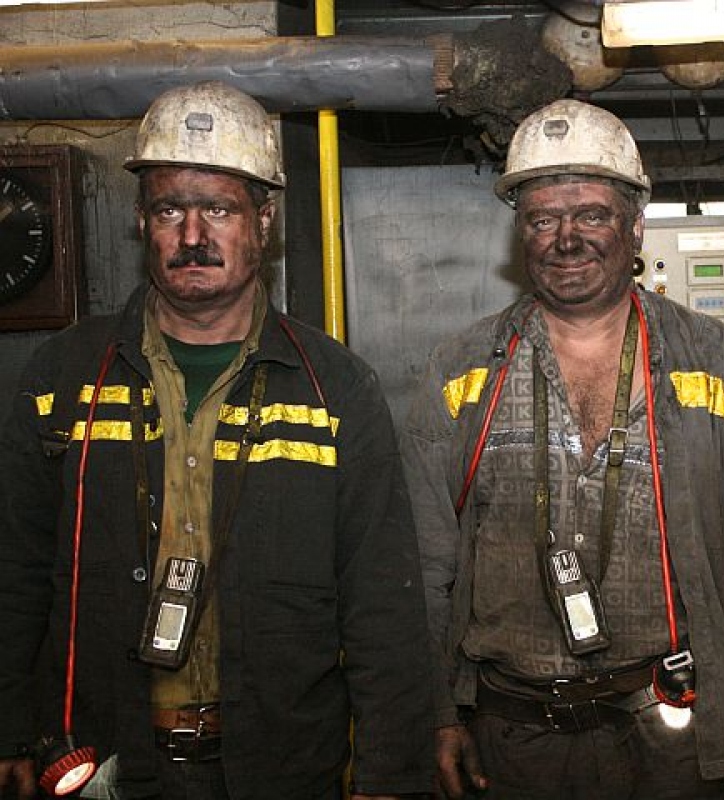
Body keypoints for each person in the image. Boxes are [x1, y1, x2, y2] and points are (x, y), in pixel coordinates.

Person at [0, 81, 433, 800]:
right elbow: (14, 566)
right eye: (169, 209)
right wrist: (9, 730)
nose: (192, 236)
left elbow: (381, 595)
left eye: (220, 210)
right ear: (142, 222)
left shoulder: (334, 387)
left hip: (281, 766)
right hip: (102, 762)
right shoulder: (65, 378)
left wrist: (389, 771)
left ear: (264, 222)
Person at [400, 98, 724, 800]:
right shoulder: (463, 372)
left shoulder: (718, 366)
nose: (567, 238)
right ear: (520, 232)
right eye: (543, 219)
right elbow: (422, 568)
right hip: (511, 744)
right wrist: (437, 716)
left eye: (592, 215)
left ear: (635, 226)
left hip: (676, 739)